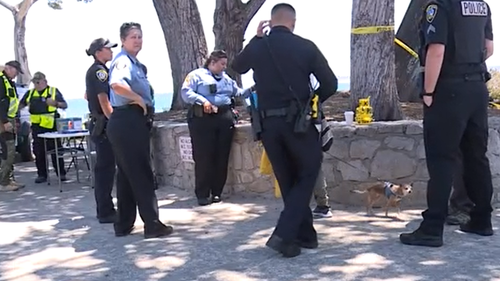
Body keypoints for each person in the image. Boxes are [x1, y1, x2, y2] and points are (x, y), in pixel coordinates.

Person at [232, 3, 338, 257]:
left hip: (268, 127)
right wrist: (311, 102)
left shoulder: (259, 45)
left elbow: (237, 66)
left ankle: (303, 237)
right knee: (309, 172)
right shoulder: (305, 46)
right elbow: (331, 83)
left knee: (289, 180)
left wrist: (255, 39)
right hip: (298, 124)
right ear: (293, 22)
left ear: (270, 21)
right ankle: (283, 233)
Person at [400, 0, 494, 247]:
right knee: (477, 156)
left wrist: (428, 92)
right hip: (476, 87)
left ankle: (432, 227)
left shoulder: (439, 6)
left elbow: (437, 49)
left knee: (441, 159)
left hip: (449, 89)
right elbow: (489, 48)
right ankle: (482, 219)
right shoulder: (481, 6)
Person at [107, 22, 173, 239]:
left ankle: (123, 224)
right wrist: (138, 99)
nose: (138, 40)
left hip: (129, 121)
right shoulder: (123, 61)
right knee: (142, 172)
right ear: (123, 40)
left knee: (127, 175)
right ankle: (152, 224)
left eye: (140, 37)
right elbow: (117, 84)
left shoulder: (135, 63)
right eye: (133, 37)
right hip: (128, 119)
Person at [181, 50, 252, 206]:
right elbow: (186, 93)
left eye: (225, 64)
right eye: (221, 64)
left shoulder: (226, 78)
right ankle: (202, 193)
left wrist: (253, 88)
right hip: (203, 118)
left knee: (222, 156)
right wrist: (202, 101)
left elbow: (238, 92)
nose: (224, 68)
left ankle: (217, 192)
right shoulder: (196, 75)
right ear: (212, 62)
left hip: (224, 117)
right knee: (203, 156)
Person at [85, 38, 118, 224]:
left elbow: (87, 95)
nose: (111, 51)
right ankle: (105, 212)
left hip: (100, 123)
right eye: (108, 48)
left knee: (106, 168)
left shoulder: (99, 70)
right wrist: (114, 123)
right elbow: (104, 100)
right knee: (105, 169)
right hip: (103, 125)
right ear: (98, 52)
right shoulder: (99, 71)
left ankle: (106, 208)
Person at [19, 72, 68, 183]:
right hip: (37, 128)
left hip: (52, 127)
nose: (36, 84)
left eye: (38, 82)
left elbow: (65, 105)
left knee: (56, 150)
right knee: (38, 151)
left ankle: (61, 173)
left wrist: (55, 103)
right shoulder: (30, 93)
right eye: (34, 82)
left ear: (44, 81)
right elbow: (20, 105)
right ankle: (42, 175)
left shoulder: (53, 91)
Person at [0, 61, 25, 191]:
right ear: (8, 68)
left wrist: (15, 119)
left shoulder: (9, 82)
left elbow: (12, 103)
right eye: (15, 71)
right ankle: (4, 182)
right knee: (8, 150)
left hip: (9, 119)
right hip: (3, 120)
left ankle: (8, 179)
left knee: (10, 150)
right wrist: (5, 121)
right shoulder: (1, 81)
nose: (16, 75)